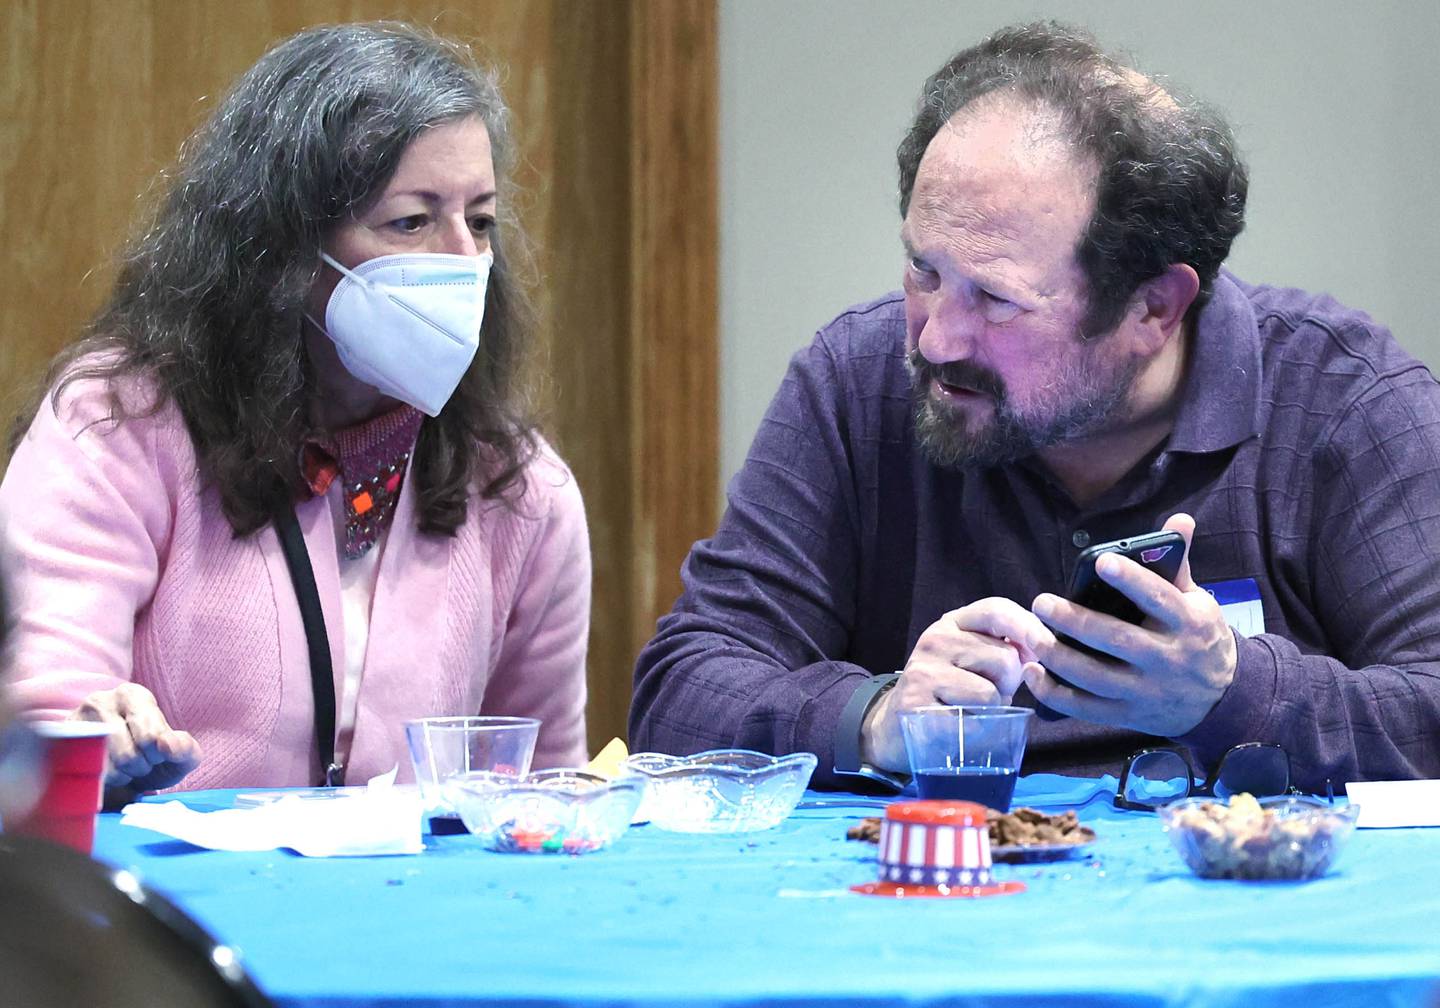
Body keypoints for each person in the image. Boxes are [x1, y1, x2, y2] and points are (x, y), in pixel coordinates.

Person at [630, 22, 1440, 792]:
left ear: (1154, 307)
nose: (937, 340)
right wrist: (874, 718)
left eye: (997, 300)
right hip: (929, 913)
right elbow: (681, 694)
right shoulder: (857, 382)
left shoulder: (1345, 405)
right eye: (923, 269)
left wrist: (1231, 691)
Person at [0, 22, 590, 803]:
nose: (464, 263)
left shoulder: (521, 488)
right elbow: (43, 705)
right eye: (411, 221)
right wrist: (91, 732)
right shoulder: (117, 422)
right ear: (285, 248)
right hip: (175, 914)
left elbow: (545, 793)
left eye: (479, 221)